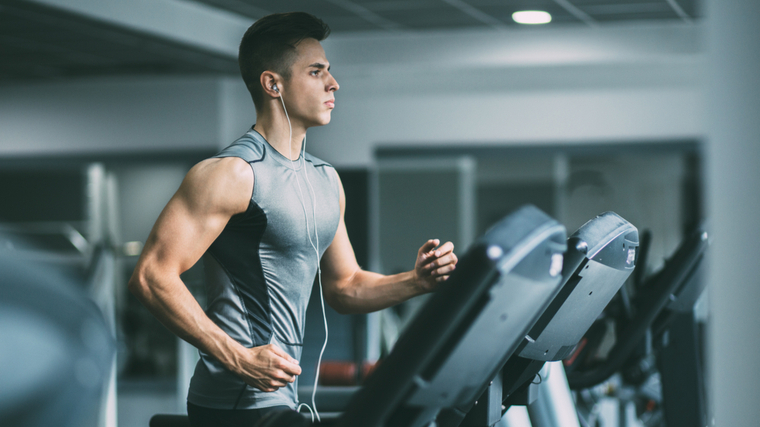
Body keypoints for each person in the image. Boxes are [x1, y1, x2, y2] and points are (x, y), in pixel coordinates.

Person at [128, 12, 458, 427]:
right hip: (235, 402)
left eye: (329, 72)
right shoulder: (231, 173)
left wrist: (416, 281)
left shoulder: (325, 179)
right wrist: (239, 357)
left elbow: (345, 286)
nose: (333, 84)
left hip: (282, 398)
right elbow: (151, 276)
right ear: (273, 84)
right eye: (316, 72)